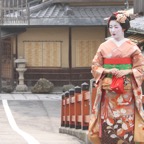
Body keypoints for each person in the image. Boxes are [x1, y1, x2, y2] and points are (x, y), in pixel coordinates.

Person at [90, 11, 144, 144]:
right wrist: (107, 70)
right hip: (109, 92)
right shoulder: (103, 46)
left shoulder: (132, 47)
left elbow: (140, 68)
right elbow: (95, 66)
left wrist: (127, 72)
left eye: (116, 27)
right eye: (110, 27)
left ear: (123, 28)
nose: (112, 30)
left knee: (127, 121)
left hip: (127, 91)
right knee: (108, 121)